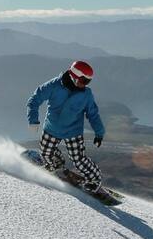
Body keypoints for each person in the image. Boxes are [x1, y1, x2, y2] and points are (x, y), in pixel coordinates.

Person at [26, 60, 106, 193]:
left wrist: (99, 133)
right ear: (74, 75)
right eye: (84, 80)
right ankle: (56, 164)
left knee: (79, 160)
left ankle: (94, 180)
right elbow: (34, 100)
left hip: (73, 131)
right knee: (46, 153)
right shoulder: (53, 85)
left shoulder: (86, 94)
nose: (85, 84)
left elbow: (93, 114)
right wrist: (33, 120)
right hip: (52, 128)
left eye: (88, 82)